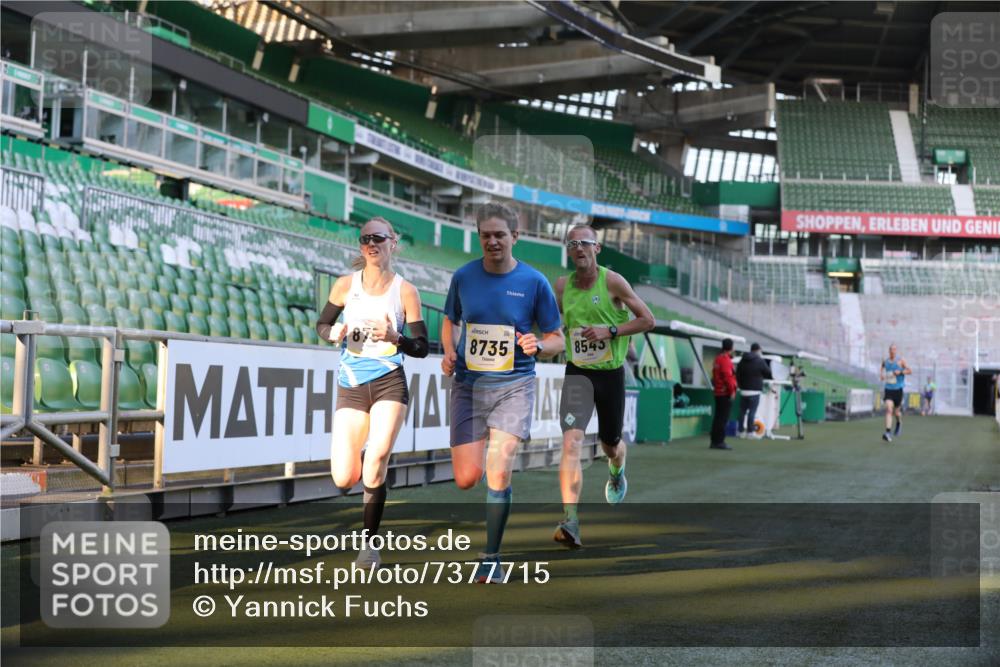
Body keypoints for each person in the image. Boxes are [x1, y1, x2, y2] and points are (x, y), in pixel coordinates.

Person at [441, 202, 564, 583]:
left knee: (500, 464)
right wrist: (448, 350)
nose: (492, 241)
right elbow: (451, 320)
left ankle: (491, 556)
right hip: (468, 386)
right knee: (466, 478)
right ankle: (492, 510)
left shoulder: (534, 282)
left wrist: (538, 346)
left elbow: (557, 338)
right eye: (485, 235)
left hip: (515, 384)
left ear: (515, 237)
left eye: (499, 235)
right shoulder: (463, 276)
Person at [316, 217, 428, 569]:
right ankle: (370, 474)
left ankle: (369, 546)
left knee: (376, 459)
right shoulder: (345, 285)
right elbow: (321, 324)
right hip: (351, 384)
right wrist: (333, 333)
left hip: (389, 383)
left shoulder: (405, 291)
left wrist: (397, 339)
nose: (371, 242)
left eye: (379, 237)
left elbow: (423, 347)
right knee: (344, 477)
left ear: (393, 243)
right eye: (365, 238)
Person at [552, 224, 655, 548]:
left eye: (585, 243)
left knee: (610, 443)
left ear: (597, 249)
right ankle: (570, 520)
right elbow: (556, 329)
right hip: (578, 373)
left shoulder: (612, 281)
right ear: (568, 251)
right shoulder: (560, 287)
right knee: (571, 442)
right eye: (573, 244)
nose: (579, 248)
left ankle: (617, 467)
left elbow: (647, 320)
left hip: (610, 374)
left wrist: (609, 330)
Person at [735, 342, 772, 439]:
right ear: (758, 350)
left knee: (742, 411)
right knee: (752, 412)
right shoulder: (760, 361)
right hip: (755, 391)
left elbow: (737, 374)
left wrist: (740, 385)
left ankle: (740, 431)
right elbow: (768, 372)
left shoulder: (742, 360)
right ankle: (750, 432)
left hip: (743, 390)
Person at [880, 343, 911, 442]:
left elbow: (910, 371)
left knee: (896, 412)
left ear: (896, 351)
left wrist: (901, 372)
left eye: (895, 349)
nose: (893, 351)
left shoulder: (901, 361)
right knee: (889, 409)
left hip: (898, 390)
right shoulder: (886, 361)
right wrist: (881, 375)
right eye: (891, 349)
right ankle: (887, 433)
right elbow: (882, 366)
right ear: (889, 351)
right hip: (888, 389)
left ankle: (899, 422)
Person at [710, 338, 737, 450]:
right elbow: (728, 377)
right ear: (731, 348)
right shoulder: (725, 360)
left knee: (718, 417)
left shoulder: (718, 358)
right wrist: (732, 391)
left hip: (718, 392)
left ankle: (714, 441)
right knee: (722, 418)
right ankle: (719, 442)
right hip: (724, 392)